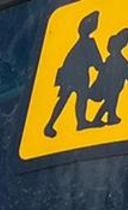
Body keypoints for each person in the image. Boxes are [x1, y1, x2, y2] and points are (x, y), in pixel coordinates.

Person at [43, 11, 102, 139]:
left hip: (69, 75)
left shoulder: (80, 43)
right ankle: (80, 122)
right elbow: (97, 63)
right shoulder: (89, 43)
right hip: (78, 75)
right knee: (80, 97)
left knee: (66, 99)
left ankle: (51, 124)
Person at [85, 27, 128, 128]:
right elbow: (104, 73)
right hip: (109, 86)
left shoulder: (120, 60)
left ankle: (106, 117)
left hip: (115, 86)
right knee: (110, 101)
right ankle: (104, 117)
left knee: (110, 101)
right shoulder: (112, 60)